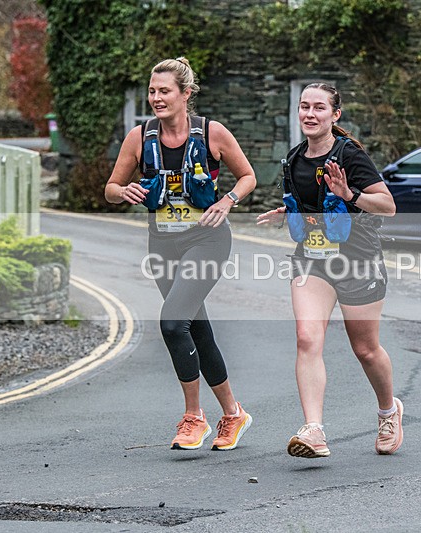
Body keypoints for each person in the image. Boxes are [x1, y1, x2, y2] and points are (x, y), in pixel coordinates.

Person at [105, 57, 256, 451]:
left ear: (185, 94)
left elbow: (248, 176)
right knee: (194, 327)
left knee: (173, 323)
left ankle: (194, 417)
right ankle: (233, 414)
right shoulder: (139, 138)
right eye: (152, 91)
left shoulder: (211, 133)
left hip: (207, 240)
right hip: (163, 243)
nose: (156, 98)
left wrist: (228, 201)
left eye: (164, 91)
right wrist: (123, 192)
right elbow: (111, 187)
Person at [256, 83, 403, 458]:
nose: (309, 113)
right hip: (312, 259)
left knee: (366, 349)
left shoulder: (349, 155)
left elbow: (387, 206)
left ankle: (389, 410)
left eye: (318, 107)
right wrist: (288, 212)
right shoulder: (293, 160)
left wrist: (349, 195)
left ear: (334, 115)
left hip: (359, 261)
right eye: (304, 106)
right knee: (307, 338)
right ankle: (314, 430)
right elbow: (307, 206)